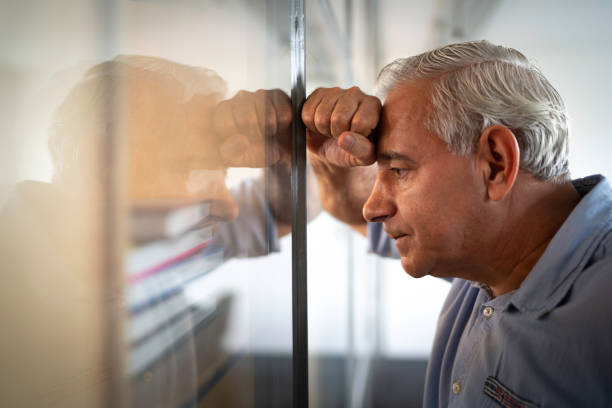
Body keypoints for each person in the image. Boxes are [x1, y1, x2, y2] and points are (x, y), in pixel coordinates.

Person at [302, 40, 612, 407]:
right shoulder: (494, 261)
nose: (374, 209)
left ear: (495, 163)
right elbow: (356, 211)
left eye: (399, 170)